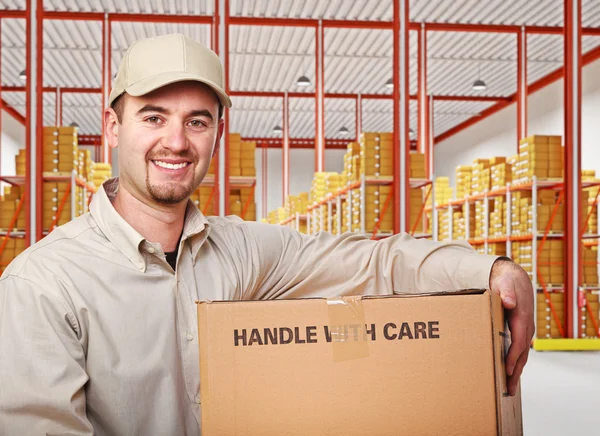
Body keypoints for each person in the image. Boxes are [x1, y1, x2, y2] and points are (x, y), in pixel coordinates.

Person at [0, 34, 534, 436]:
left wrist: (493, 270)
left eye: (197, 121)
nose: (176, 141)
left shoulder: (243, 253)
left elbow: (370, 262)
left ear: (217, 133)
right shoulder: (45, 285)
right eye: (154, 117)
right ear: (114, 129)